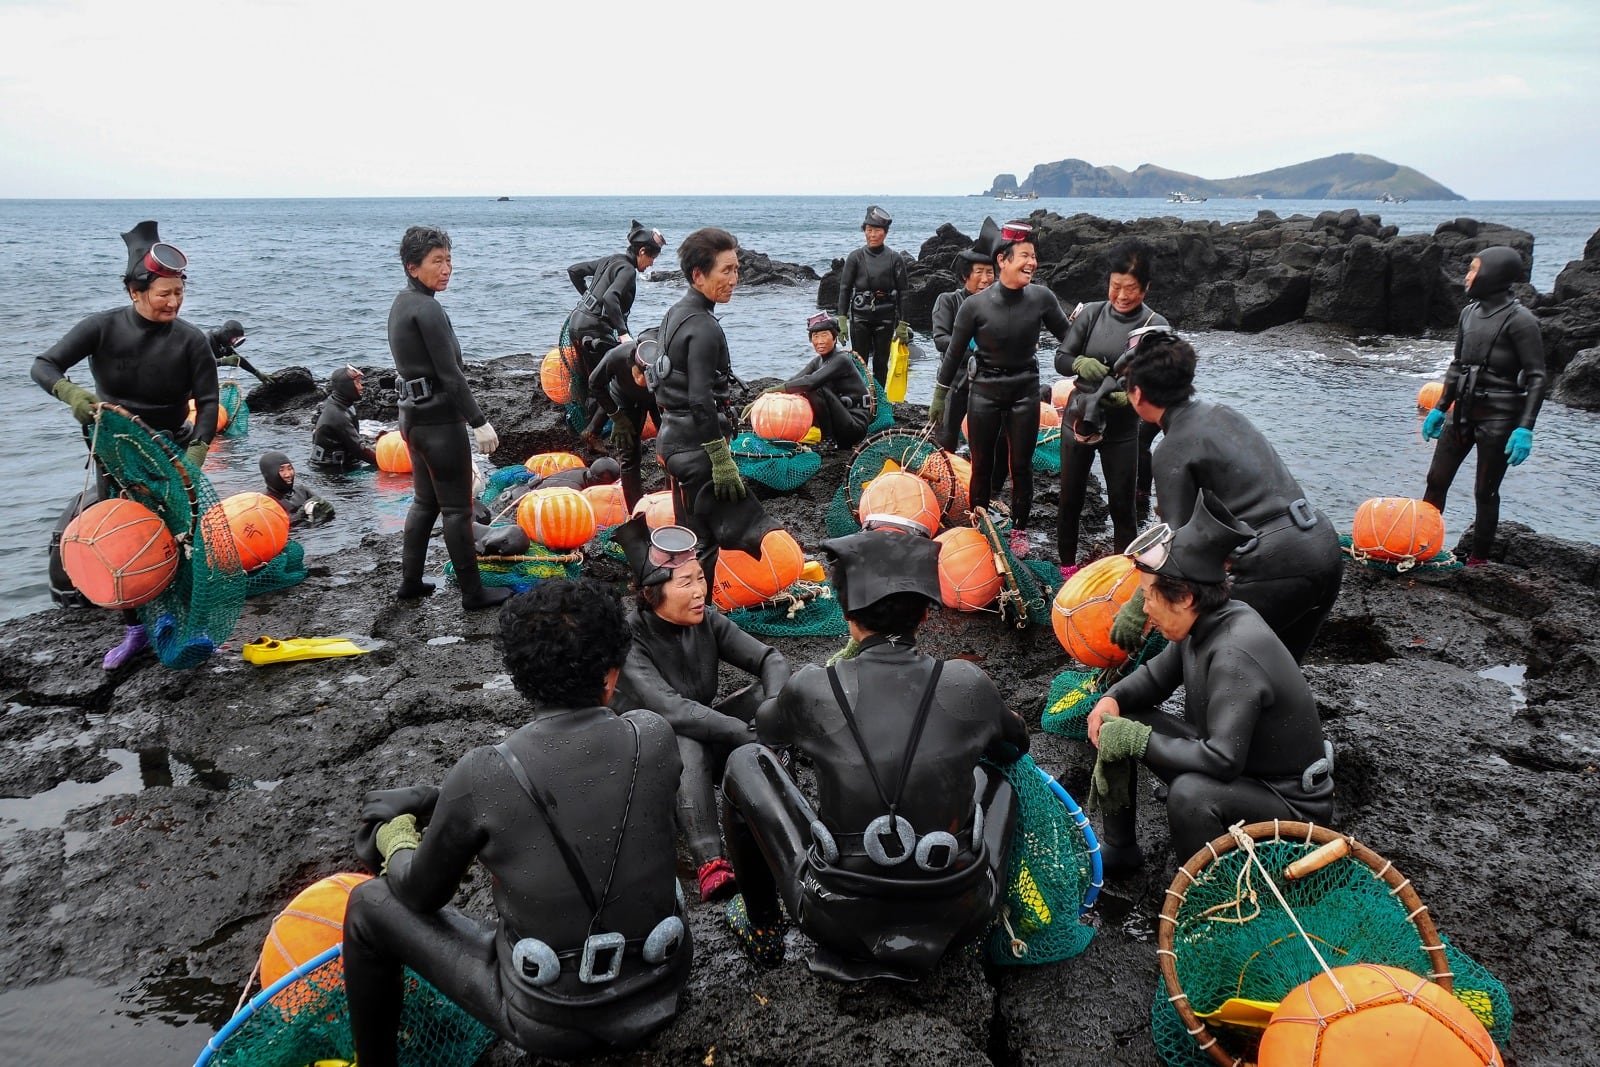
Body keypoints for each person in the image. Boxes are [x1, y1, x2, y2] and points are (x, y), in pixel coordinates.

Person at [343, 578, 691, 1065]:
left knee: (367, 904)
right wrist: (439, 799)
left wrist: (396, 837)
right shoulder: (654, 736)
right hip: (664, 982)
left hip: (550, 1020)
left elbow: (418, 894)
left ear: (519, 676)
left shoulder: (483, 773)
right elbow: (587, 795)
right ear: (612, 676)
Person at [718, 528, 1028, 978]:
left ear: (848, 615)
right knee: (996, 779)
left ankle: (763, 927)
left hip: (835, 918)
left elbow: (768, 729)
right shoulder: (968, 683)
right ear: (925, 614)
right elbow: (1015, 745)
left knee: (744, 763)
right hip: (961, 915)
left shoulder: (814, 688)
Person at [1086, 490, 1335, 869]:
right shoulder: (1200, 625)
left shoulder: (1234, 650)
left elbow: (1221, 760)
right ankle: (1120, 849)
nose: (1145, 609)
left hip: (1290, 806)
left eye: (1149, 597)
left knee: (1189, 795)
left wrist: (1135, 740)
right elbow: (1154, 679)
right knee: (1118, 720)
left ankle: (1209, 896)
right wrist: (1112, 700)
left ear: (1185, 597)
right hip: (1243, 774)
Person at [31, 220, 218, 669]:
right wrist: (73, 394)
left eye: (179, 293)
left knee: (181, 537)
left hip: (171, 452)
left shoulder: (191, 340)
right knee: (122, 540)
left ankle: (183, 623)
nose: (173, 302)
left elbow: (209, 403)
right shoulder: (102, 328)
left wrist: (195, 454)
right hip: (115, 453)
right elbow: (44, 365)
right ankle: (135, 630)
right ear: (135, 292)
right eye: (163, 294)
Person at [1116, 328, 1342, 664]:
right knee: (1280, 669)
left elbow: (1177, 548)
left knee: (1210, 655)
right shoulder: (1222, 412)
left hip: (1275, 563)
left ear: (1137, 394)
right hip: (1323, 545)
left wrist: (1138, 607)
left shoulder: (1172, 448)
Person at [610, 517, 791, 903]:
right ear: (652, 591)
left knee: (772, 694)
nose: (699, 592)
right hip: (644, 758)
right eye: (686, 583)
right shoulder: (630, 640)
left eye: (700, 578)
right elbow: (670, 709)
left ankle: (786, 809)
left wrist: (773, 712)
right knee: (683, 736)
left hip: (699, 730)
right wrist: (741, 731)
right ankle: (711, 862)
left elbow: (770, 659)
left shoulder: (705, 620)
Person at [387, 225, 509, 611]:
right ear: (412, 267)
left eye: (449, 260)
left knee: (425, 502)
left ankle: (410, 583)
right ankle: (474, 594)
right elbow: (451, 375)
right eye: (437, 261)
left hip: (412, 420)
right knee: (457, 510)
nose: (446, 269)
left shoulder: (402, 303)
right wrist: (479, 421)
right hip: (440, 424)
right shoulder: (428, 309)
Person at [930, 221, 1070, 557]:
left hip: (1024, 390)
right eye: (1024, 255)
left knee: (1020, 465)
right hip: (985, 391)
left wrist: (1089, 360)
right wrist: (939, 394)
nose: (1031, 262)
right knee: (981, 462)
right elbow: (951, 354)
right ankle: (980, 527)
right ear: (1002, 260)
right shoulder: (974, 306)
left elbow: (1070, 338)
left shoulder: (1041, 298)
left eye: (1034, 256)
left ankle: (1019, 530)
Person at [648, 226, 779, 575]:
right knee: (703, 544)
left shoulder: (676, 313)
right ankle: (696, 620)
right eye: (726, 270)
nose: (735, 278)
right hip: (697, 450)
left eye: (736, 269)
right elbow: (700, 400)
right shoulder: (704, 327)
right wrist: (720, 458)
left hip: (672, 443)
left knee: (686, 536)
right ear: (698, 275)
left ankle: (677, 613)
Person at [1421, 246, 1547, 564]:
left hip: (1500, 416)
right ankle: (1422, 544)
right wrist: (1440, 406)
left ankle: (1478, 561)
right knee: (1436, 481)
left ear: (1494, 275)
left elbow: (1536, 378)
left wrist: (1525, 429)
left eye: (1474, 269)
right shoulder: (1469, 313)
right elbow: (1458, 364)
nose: (1467, 275)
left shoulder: (1521, 321)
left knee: (1484, 492)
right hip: (1461, 410)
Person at [1053, 239, 1168, 575]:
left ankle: (1123, 573)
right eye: (1115, 286)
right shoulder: (1091, 313)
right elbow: (1062, 357)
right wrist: (1080, 365)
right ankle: (1067, 570)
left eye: (1129, 288)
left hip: (1122, 426)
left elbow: (1161, 379)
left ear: (1145, 288)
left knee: (1123, 506)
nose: (1120, 295)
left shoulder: (1154, 324)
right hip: (1079, 418)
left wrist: (1129, 395)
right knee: (1070, 500)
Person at [565, 221, 666, 445]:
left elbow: (574, 271)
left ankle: (589, 431)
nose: (650, 265)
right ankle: (593, 433)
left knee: (594, 378)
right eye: (652, 259)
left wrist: (588, 300)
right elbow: (611, 298)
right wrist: (623, 333)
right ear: (642, 251)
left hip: (576, 325)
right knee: (614, 379)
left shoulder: (610, 260)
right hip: (595, 331)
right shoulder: (628, 270)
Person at [931, 217, 1002, 470]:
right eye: (979, 273)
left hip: (987, 380)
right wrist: (973, 349)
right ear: (965, 276)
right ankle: (941, 472)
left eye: (990, 273)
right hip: (955, 378)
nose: (985, 279)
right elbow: (940, 340)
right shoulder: (948, 301)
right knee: (947, 432)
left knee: (987, 436)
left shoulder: (999, 304)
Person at [772, 313, 871, 451]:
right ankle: (826, 436)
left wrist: (781, 388)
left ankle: (829, 440)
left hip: (853, 428)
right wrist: (769, 394)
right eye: (815, 336)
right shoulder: (817, 361)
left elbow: (811, 381)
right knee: (799, 388)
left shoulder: (841, 360)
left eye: (824, 335)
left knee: (814, 387)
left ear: (835, 338)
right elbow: (794, 380)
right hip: (838, 423)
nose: (820, 341)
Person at [585, 329, 660, 509]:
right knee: (629, 455)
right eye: (638, 375)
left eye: (648, 377)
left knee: (670, 449)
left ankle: (669, 498)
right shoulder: (616, 357)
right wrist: (616, 416)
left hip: (659, 398)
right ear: (631, 362)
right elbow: (595, 384)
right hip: (625, 398)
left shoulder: (669, 357)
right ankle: (635, 510)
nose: (642, 381)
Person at [838, 205, 911, 386]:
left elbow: (904, 292)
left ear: (885, 233)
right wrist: (841, 319)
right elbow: (845, 288)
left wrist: (903, 324)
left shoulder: (895, 259)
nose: (872, 235)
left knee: (881, 361)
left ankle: (880, 400)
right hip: (860, 315)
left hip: (885, 316)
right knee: (859, 360)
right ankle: (861, 397)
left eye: (877, 230)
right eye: (869, 230)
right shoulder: (855, 257)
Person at [310, 365, 378, 471]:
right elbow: (359, 450)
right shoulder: (337, 415)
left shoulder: (339, 403)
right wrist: (385, 462)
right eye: (357, 383)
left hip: (344, 463)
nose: (361, 387)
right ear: (347, 387)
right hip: (331, 471)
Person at [259, 450, 334, 527]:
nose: (288, 474)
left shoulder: (302, 490)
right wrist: (304, 510)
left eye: (290, 468)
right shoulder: (266, 502)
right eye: (281, 470)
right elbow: (282, 525)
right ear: (269, 474)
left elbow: (325, 508)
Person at [206, 319, 274, 384]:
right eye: (233, 340)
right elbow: (201, 363)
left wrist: (257, 374)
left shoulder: (223, 345)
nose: (231, 345)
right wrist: (223, 361)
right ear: (226, 333)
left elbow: (238, 360)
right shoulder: (206, 340)